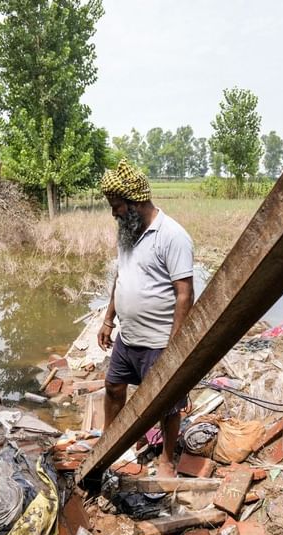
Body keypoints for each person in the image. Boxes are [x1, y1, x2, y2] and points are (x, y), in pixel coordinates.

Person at [97, 159, 194, 478]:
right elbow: (120, 277)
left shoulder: (172, 235)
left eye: (117, 206)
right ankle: (109, 442)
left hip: (158, 343)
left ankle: (166, 458)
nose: (114, 213)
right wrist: (108, 319)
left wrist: (174, 346)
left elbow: (184, 294)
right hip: (128, 338)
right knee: (113, 388)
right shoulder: (127, 231)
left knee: (166, 405)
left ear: (136, 202)